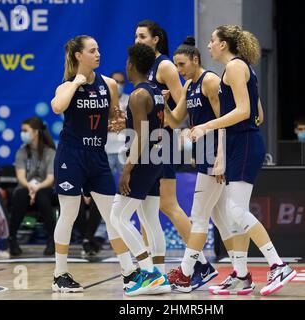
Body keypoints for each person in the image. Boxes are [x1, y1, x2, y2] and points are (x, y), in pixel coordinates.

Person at [187, 25, 296, 296]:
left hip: (245, 142)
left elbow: (246, 111)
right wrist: (223, 154)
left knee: (235, 212)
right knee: (236, 216)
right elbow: (256, 111)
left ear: (224, 44)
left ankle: (278, 264)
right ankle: (242, 276)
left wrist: (206, 126)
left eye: (212, 40)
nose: (209, 45)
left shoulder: (235, 67)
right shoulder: (236, 68)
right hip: (238, 143)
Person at [50, 35, 136, 293]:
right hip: (72, 156)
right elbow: (57, 107)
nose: (98, 53)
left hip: (97, 156)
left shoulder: (109, 84)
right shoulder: (66, 84)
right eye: (92, 50)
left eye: (98, 49)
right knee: (69, 213)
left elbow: (113, 117)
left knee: (113, 216)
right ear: (78, 56)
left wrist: (121, 121)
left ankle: (129, 272)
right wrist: (75, 82)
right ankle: (60, 273)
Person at [164, 37, 248, 292]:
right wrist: (163, 101)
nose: (179, 70)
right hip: (203, 156)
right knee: (221, 221)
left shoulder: (210, 81)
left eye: (182, 64)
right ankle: (241, 273)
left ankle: (186, 273)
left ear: (195, 60)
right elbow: (174, 120)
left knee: (198, 217)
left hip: (214, 157)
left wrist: (221, 158)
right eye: (176, 66)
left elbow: (224, 120)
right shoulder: (188, 84)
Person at [135, 20, 212, 277]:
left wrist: (179, 134)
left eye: (142, 36)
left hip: (162, 140)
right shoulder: (144, 67)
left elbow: (184, 102)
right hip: (147, 138)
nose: (137, 41)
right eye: (135, 36)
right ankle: (151, 267)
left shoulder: (165, 65)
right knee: (145, 206)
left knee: (168, 205)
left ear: (156, 39)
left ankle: (199, 260)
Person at [110, 43, 171, 296]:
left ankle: (148, 273)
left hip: (144, 160)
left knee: (118, 217)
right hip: (157, 159)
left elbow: (142, 135)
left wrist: (127, 169)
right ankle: (161, 275)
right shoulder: (155, 91)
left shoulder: (137, 95)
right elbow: (153, 124)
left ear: (131, 65)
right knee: (149, 218)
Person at [9, 117, 56, 256]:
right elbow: (21, 177)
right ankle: (12, 239)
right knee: (19, 194)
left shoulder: (50, 152)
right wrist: (30, 187)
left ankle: (52, 239)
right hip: (26, 189)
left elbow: (50, 178)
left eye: (25, 130)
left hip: (44, 189)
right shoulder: (21, 152)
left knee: (42, 195)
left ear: (35, 132)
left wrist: (37, 188)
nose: (22, 133)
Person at [106, 71, 130, 175]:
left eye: (121, 82)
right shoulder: (104, 100)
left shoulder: (130, 99)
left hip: (124, 149)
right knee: (105, 186)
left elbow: (133, 124)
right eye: (116, 81)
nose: (119, 85)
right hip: (107, 149)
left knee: (125, 187)